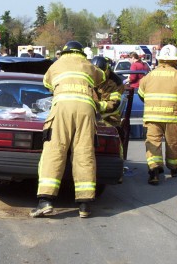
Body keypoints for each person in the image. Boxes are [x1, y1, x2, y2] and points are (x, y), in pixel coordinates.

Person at [31, 41, 105, 219]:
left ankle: (45, 201)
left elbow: (47, 84)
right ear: (81, 53)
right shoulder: (88, 65)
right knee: (84, 153)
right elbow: (101, 77)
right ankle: (85, 204)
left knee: (54, 151)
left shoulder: (56, 65)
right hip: (86, 109)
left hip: (62, 108)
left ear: (64, 52)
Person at [137, 44, 177, 185]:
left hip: (152, 117)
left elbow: (141, 96)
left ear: (160, 59)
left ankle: (154, 171)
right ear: (175, 60)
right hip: (172, 117)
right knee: (173, 143)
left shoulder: (148, 76)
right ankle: (174, 167)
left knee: (153, 143)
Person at [91, 55, 124, 129]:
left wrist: (97, 106)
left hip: (110, 118)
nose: (97, 77)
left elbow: (114, 104)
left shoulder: (115, 83)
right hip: (92, 117)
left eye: (99, 74)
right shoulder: (89, 79)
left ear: (106, 71)